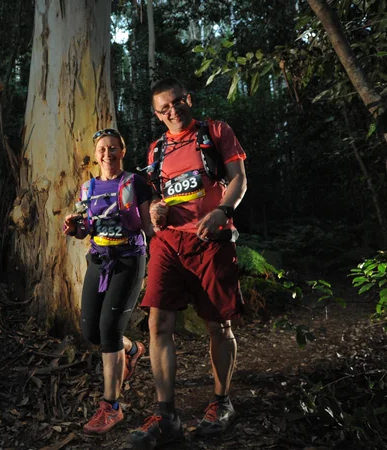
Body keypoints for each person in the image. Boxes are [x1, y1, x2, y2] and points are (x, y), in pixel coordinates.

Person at [128, 78, 248, 449]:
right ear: (157, 114)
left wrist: (223, 211)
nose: (173, 111)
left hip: (211, 241)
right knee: (158, 323)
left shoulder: (215, 131)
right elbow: (158, 200)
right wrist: (157, 210)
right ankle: (167, 416)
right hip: (170, 243)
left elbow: (238, 178)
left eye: (177, 103)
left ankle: (221, 402)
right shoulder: (156, 149)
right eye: (164, 108)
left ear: (188, 100)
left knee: (218, 323)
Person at [63, 128, 155, 434]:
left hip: (128, 260)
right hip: (98, 260)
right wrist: (72, 228)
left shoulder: (135, 183)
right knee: (91, 331)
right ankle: (132, 350)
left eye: (113, 148)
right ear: (96, 154)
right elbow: (83, 230)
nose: (107, 154)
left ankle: (111, 407)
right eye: (102, 149)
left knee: (110, 331)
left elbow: (149, 226)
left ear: (123, 151)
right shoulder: (87, 189)